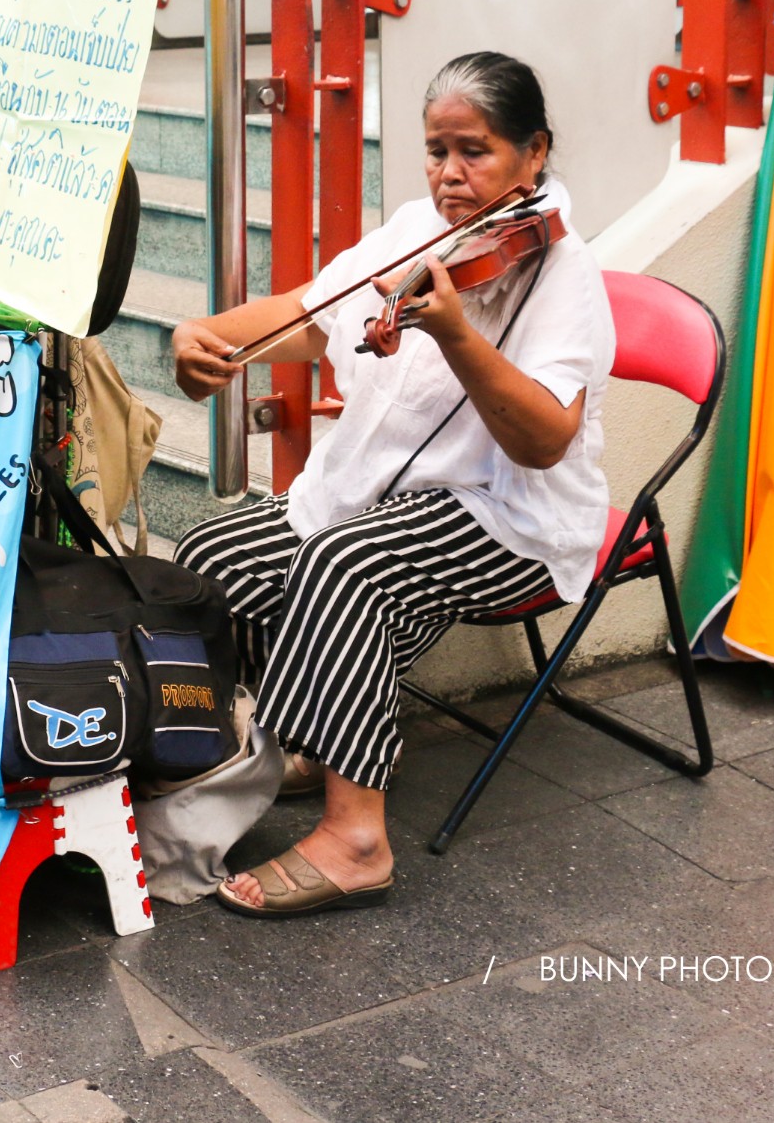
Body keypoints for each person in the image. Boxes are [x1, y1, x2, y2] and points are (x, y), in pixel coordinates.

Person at [169, 52, 615, 918]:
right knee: (211, 553)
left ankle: (358, 840)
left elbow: (543, 440)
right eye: (436, 151)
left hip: (509, 515)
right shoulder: (422, 228)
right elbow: (309, 311)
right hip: (390, 492)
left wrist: (455, 334)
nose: (451, 175)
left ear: (535, 152)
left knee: (345, 565)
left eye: (474, 152)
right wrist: (209, 339)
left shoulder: (566, 273)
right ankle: (321, 734)